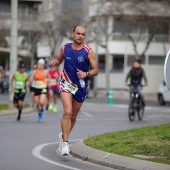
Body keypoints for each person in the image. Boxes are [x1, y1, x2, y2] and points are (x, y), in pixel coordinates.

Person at [49, 25, 99, 156]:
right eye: (78, 33)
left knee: (73, 116)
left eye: (83, 34)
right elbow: (60, 59)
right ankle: (65, 143)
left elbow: (96, 70)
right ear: (73, 34)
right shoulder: (65, 48)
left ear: (85, 36)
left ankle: (64, 135)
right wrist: (55, 62)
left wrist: (86, 74)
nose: (80, 36)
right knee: (67, 111)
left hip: (80, 87)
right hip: (66, 83)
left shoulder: (89, 51)